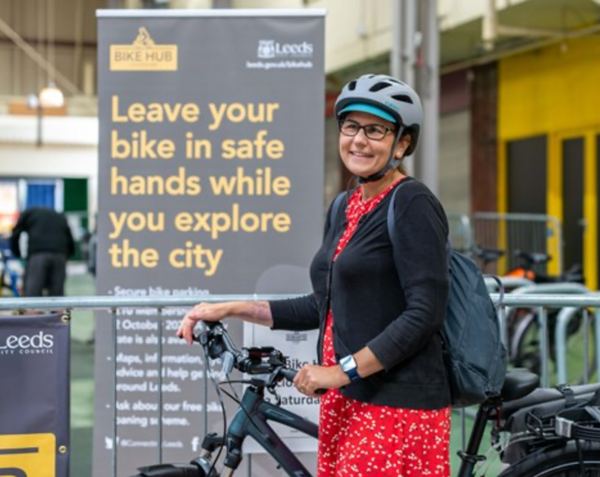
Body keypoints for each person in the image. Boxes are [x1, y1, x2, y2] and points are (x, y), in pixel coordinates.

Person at [177, 74, 451, 476]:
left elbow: (424, 312)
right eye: (351, 126)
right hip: (349, 400)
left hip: (398, 406)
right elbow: (323, 305)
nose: (358, 140)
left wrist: (341, 371)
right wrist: (231, 308)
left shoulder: (412, 203)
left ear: (403, 143)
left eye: (375, 129)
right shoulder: (345, 205)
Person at [9, 207, 75, 297]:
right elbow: (69, 236)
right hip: (60, 254)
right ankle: (56, 310)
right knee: (57, 294)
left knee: (33, 293)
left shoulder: (26, 214)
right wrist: (68, 254)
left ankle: (33, 310)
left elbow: (15, 234)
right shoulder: (59, 216)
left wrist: (17, 254)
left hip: (38, 254)